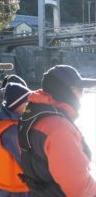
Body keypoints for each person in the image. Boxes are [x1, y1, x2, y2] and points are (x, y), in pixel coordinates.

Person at [18, 65, 96, 197]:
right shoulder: (59, 128)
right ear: (67, 91)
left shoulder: (33, 116)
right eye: (79, 90)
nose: (82, 95)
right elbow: (80, 189)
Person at [0, 82, 31, 197]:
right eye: (26, 102)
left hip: (5, 178)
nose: (28, 105)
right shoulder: (12, 129)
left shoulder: (5, 121)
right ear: (17, 104)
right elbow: (23, 158)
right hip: (15, 182)